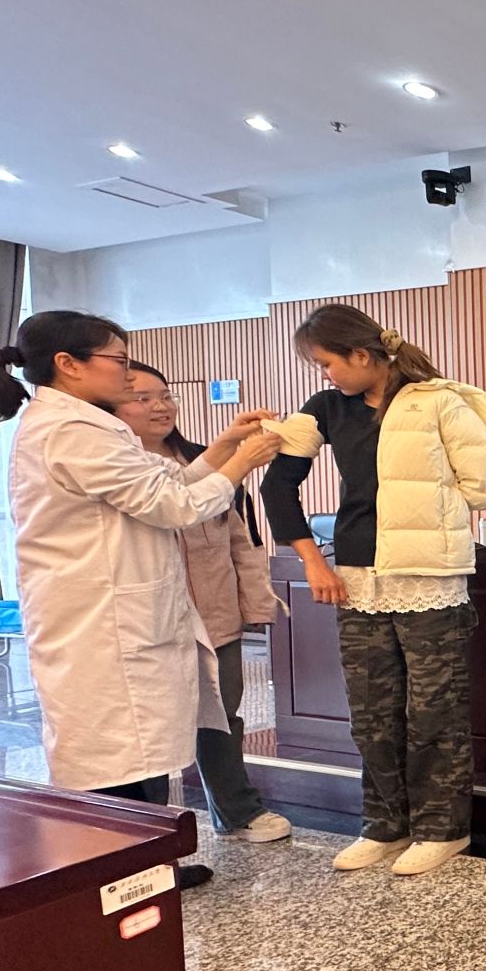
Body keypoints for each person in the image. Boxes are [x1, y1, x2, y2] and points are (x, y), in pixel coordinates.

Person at [0, 312, 283, 888]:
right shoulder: (71, 431)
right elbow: (174, 508)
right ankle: (123, 880)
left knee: (141, 753)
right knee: (115, 760)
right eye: (118, 360)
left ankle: (148, 871)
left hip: (116, 616)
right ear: (68, 364)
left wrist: (225, 447)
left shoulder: (86, 425)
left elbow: (167, 483)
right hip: (98, 622)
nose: (129, 374)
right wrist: (243, 464)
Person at [259, 307, 486, 877]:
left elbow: (484, 486)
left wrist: (430, 505)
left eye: (326, 363)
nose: (324, 375)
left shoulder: (439, 401)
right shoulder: (326, 408)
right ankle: (383, 825)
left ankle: (443, 829)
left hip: (430, 577)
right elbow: (277, 488)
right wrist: (312, 563)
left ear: (361, 354)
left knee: (434, 711)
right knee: (370, 713)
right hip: (356, 578)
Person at [114, 362, 291, 845]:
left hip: (214, 614)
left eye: (165, 395)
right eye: (143, 398)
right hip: (152, 621)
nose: (161, 407)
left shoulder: (200, 460)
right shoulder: (119, 467)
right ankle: (149, 830)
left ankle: (237, 811)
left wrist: (254, 605)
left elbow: (241, 541)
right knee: (151, 725)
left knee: (223, 717)